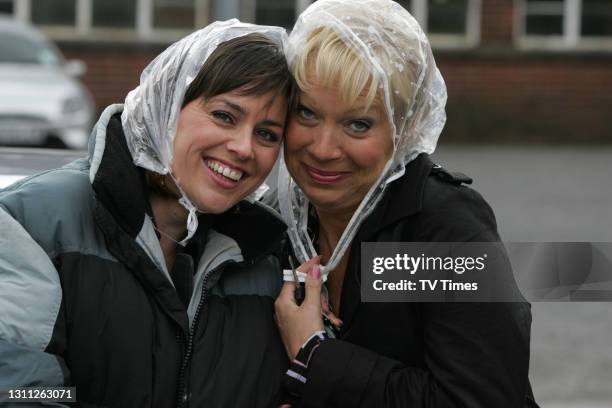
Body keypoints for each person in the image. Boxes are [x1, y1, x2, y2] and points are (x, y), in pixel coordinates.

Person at [0, 20, 297, 407]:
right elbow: (19, 390)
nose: (244, 147)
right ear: (165, 106)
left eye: (267, 134)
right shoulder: (33, 223)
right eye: (225, 116)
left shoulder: (270, 263)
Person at [273, 1, 539, 406]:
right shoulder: (277, 222)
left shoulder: (436, 229)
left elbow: (479, 400)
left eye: (358, 124)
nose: (323, 149)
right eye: (306, 113)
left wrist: (317, 356)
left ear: (406, 128)